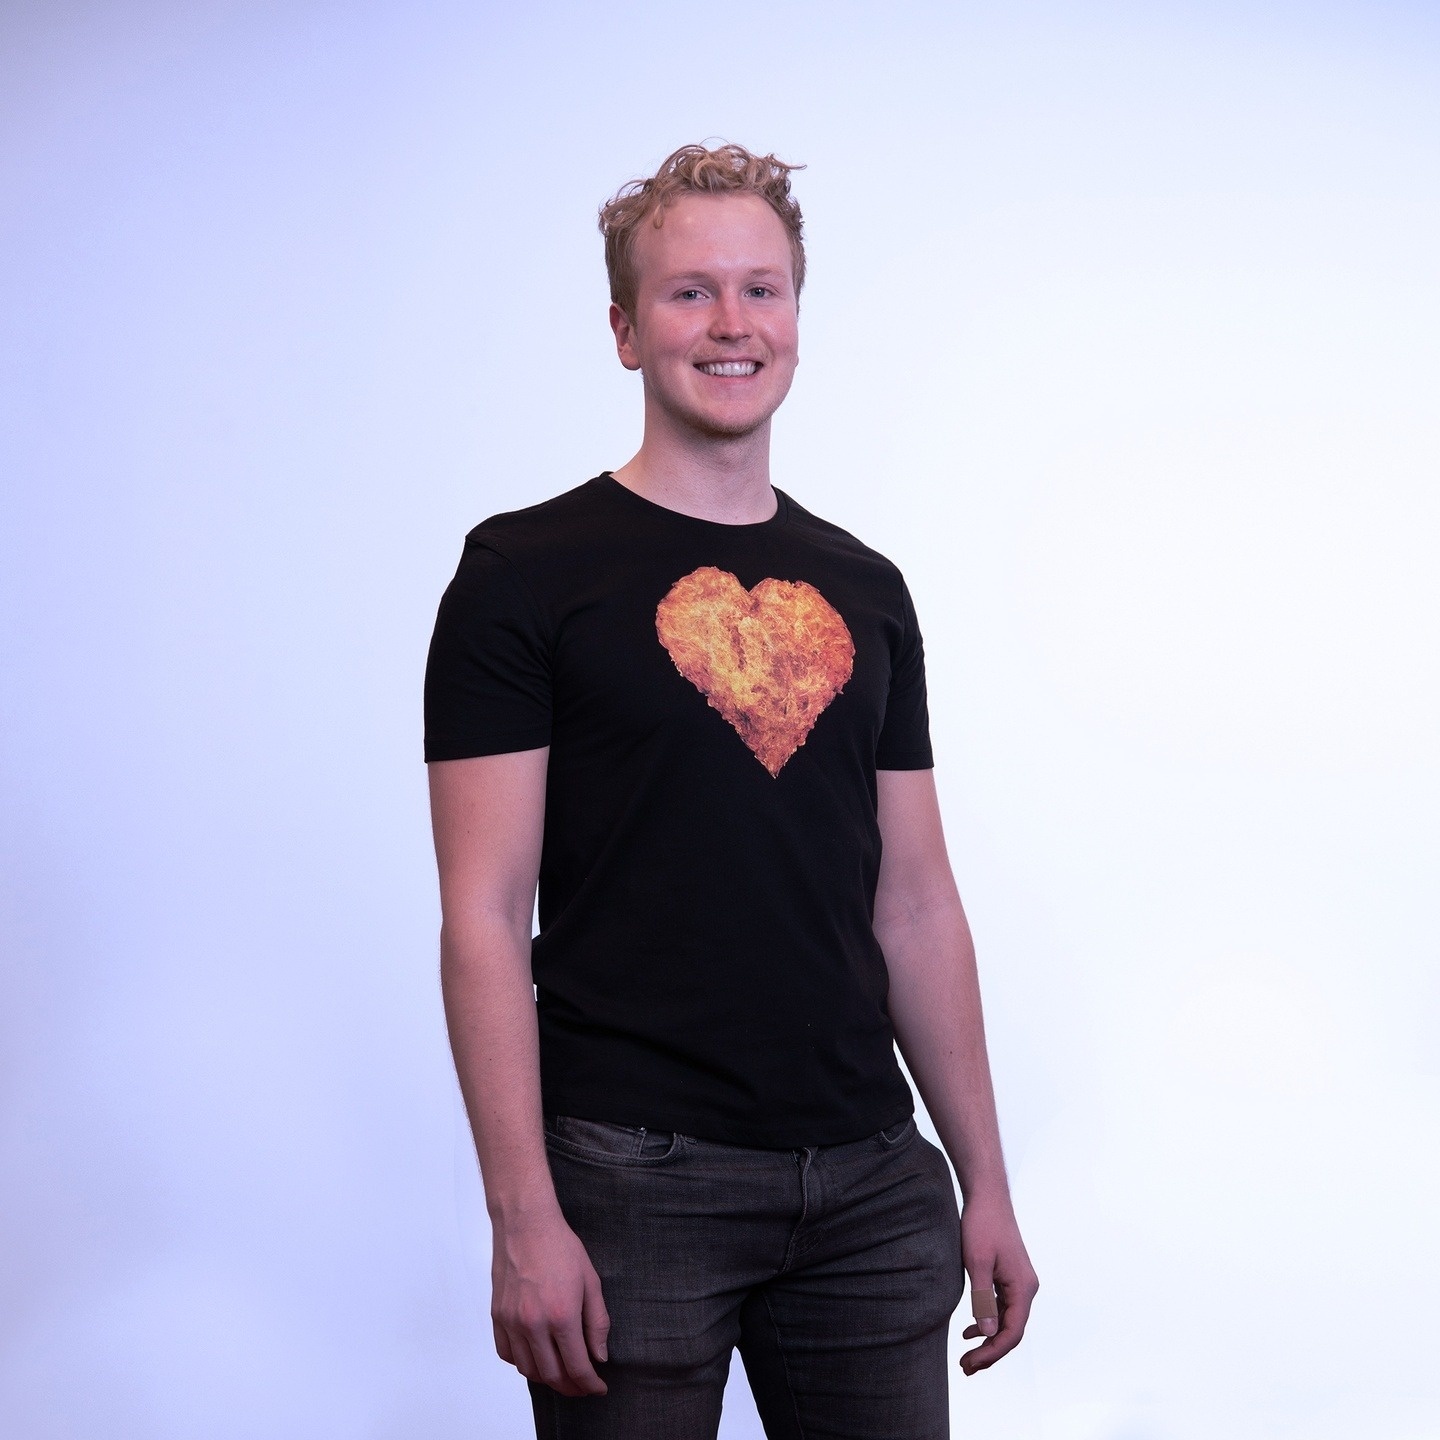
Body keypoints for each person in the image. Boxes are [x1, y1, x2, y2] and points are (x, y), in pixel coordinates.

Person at [424, 142, 1037, 1440]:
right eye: (690, 292)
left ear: (797, 318)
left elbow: (916, 901)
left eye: (762, 289)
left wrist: (984, 1177)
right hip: (632, 1181)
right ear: (625, 331)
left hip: (872, 1187)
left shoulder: (865, 587)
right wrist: (522, 1216)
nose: (732, 323)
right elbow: (481, 913)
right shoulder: (524, 574)